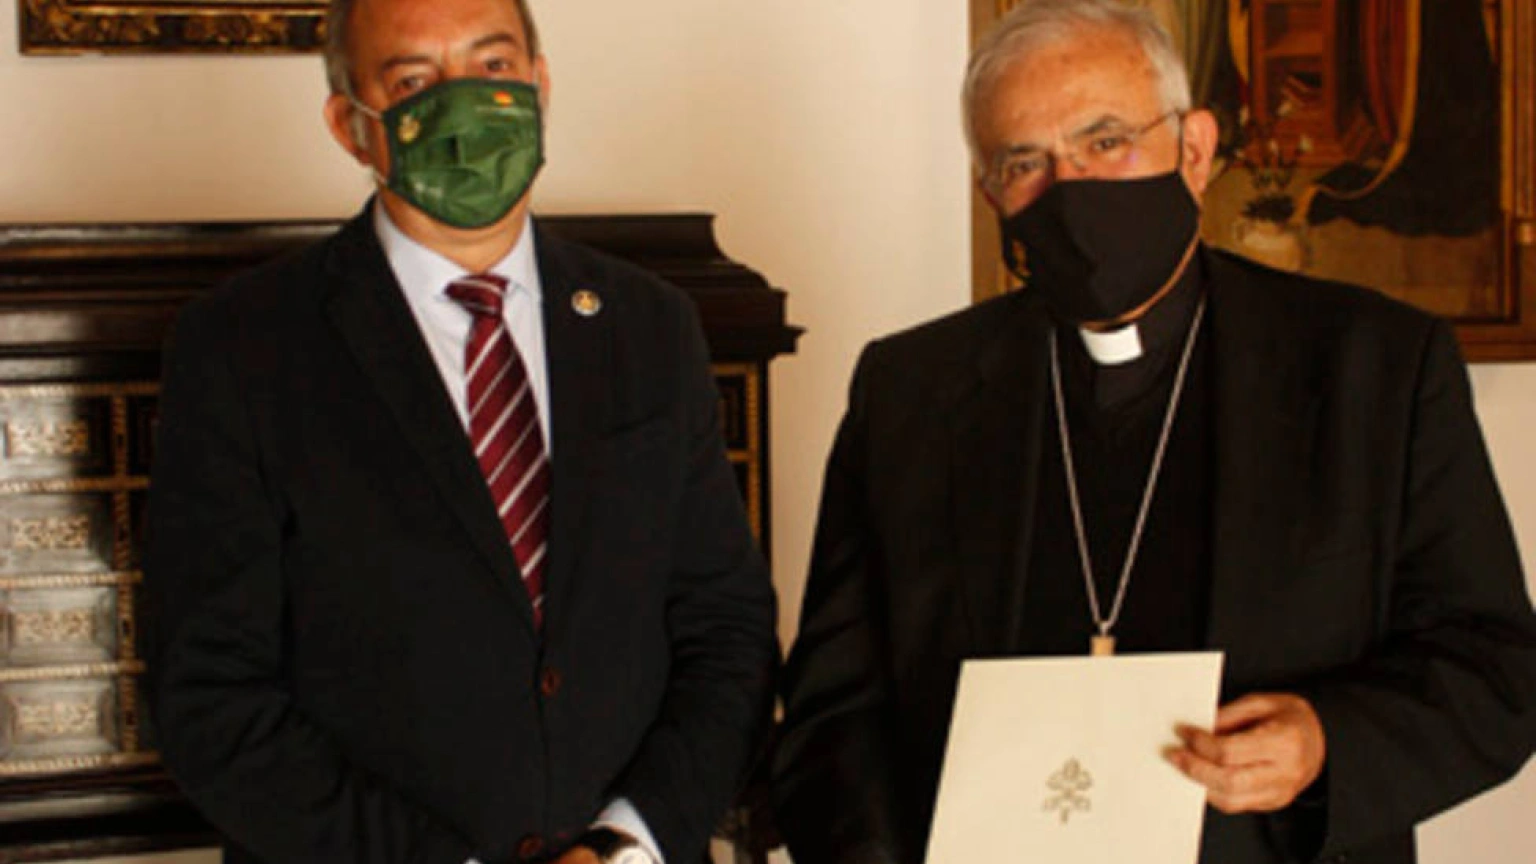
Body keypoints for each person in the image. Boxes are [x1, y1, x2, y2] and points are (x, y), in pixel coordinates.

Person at [771, 2, 1536, 863]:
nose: (1071, 189)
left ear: (1196, 150)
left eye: (1105, 142)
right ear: (992, 194)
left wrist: (1326, 743)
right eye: (1025, 162)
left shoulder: (1376, 366)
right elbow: (834, 713)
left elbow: (1495, 670)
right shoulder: (910, 391)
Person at [144, 0, 776, 862]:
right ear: (351, 126)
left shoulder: (651, 325)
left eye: (493, 67)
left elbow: (728, 628)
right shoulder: (241, 348)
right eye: (414, 81)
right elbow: (209, 697)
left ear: (540, 84)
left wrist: (627, 844)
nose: (466, 104)